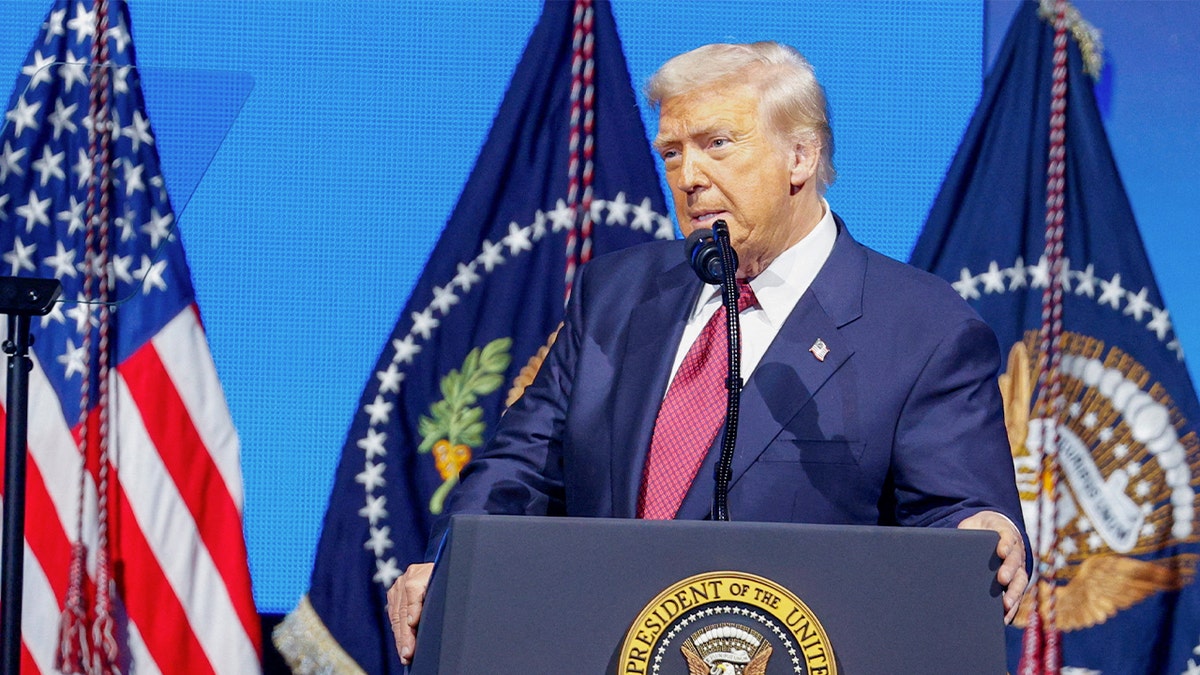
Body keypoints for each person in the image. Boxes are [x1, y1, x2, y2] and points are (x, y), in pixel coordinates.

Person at [388, 41, 1029, 665]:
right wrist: (452, 565)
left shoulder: (922, 328)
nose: (689, 177)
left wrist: (981, 537)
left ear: (800, 156)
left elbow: (958, 516)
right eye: (672, 151)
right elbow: (519, 468)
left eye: (716, 144)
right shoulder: (615, 293)